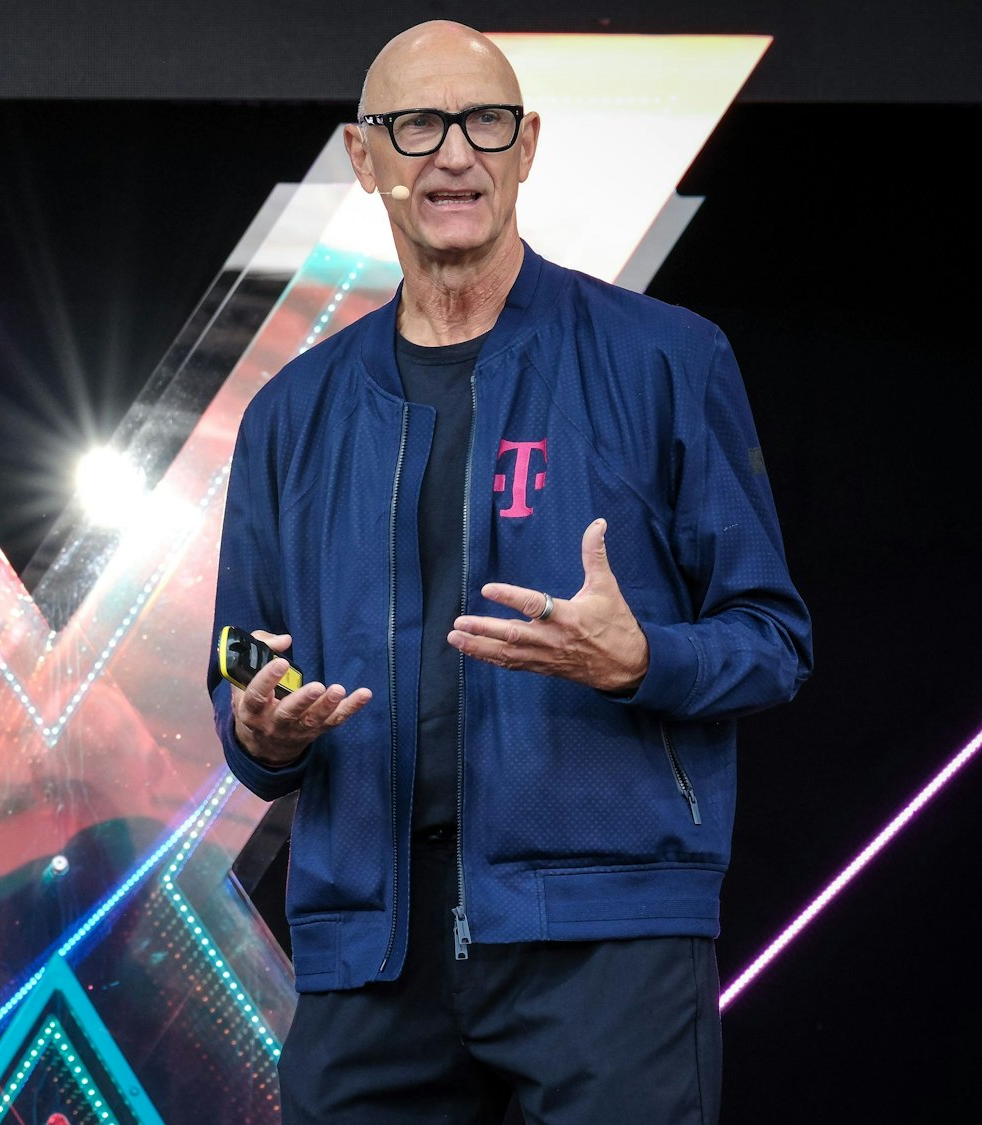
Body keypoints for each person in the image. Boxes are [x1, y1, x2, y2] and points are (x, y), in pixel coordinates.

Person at [206, 20, 813, 1124]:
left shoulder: (666, 359)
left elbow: (771, 641)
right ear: (363, 157)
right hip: (365, 952)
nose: (452, 154)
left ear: (524, 145)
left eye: (483, 122)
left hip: (606, 940)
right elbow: (239, 667)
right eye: (416, 125)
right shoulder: (289, 413)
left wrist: (642, 661)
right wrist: (259, 728)